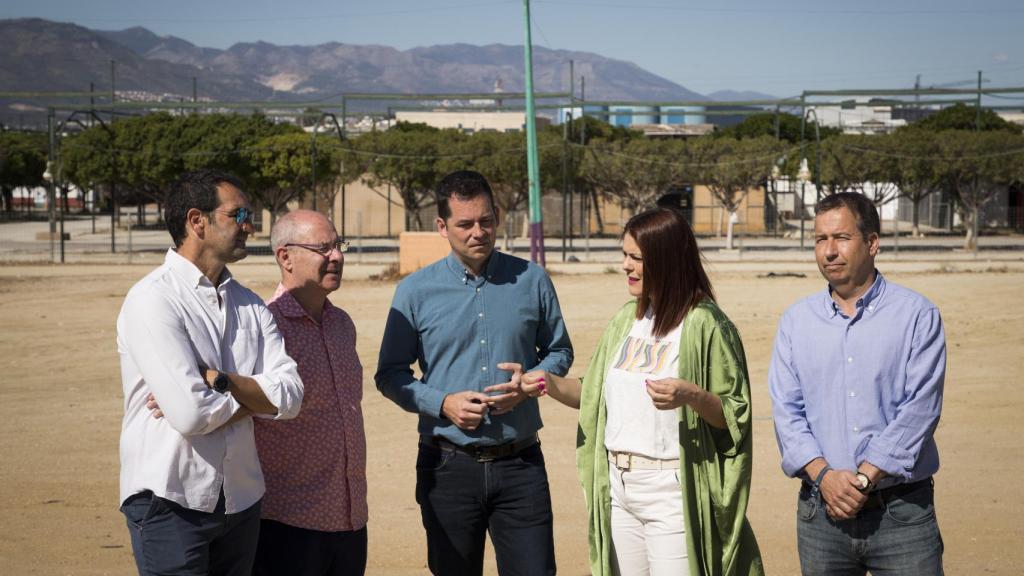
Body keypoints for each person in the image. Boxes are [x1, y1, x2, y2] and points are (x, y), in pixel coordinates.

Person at [518, 207, 763, 576]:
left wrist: (691, 396)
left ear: (665, 261)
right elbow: (593, 394)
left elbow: (734, 413)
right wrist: (546, 383)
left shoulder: (705, 324)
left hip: (672, 490)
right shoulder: (626, 320)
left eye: (636, 258)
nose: (625, 266)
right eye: (624, 255)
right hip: (620, 489)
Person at [375, 170, 573, 576]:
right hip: (447, 468)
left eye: (486, 220)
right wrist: (441, 403)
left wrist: (530, 383)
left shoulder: (533, 280)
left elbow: (559, 351)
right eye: (465, 224)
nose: (478, 232)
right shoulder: (414, 292)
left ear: (498, 216)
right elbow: (390, 373)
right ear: (442, 227)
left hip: (521, 466)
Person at [116, 170, 304, 575]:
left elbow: (292, 396)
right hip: (170, 499)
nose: (249, 226)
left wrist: (220, 381)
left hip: (240, 499)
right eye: (237, 214)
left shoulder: (251, 305)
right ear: (196, 221)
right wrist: (256, 400)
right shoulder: (153, 300)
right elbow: (189, 415)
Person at [769, 192, 946, 575]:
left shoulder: (917, 315)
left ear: (872, 243)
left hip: (901, 514)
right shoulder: (796, 322)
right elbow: (786, 411)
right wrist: (824, 476)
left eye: (842, 238)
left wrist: (865, 477)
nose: (829, 251)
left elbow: (920, 409)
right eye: (820, 240)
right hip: (821, 515)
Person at [252, 210, 368, 576]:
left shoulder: (342, 325)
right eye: (322, 248)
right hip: (287, 526)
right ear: (285, 257)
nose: (336, 256)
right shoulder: (262, 327)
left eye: (338, 245)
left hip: (350, 520)